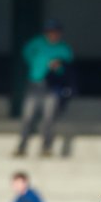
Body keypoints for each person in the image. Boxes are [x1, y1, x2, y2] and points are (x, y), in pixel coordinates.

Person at [16, 20, 74, 158]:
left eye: (55, 32)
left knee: (49, 118)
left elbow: (68, 66)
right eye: (49, 32)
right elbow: (26, 54)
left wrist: (58, 66)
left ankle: (46, 147)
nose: (52, 35)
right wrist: (36, 63)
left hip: (52, 87)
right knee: (27, 116)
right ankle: (22, 146)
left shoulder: (63, 48)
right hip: (35, 84)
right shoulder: (37, 43)